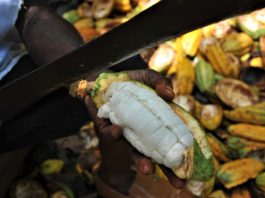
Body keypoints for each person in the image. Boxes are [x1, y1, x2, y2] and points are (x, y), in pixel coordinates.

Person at [0, 0, 190, 197]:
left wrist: (93, 80)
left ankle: (115, 178)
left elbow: (31, 17)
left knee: (121, 70)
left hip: (11, 70)